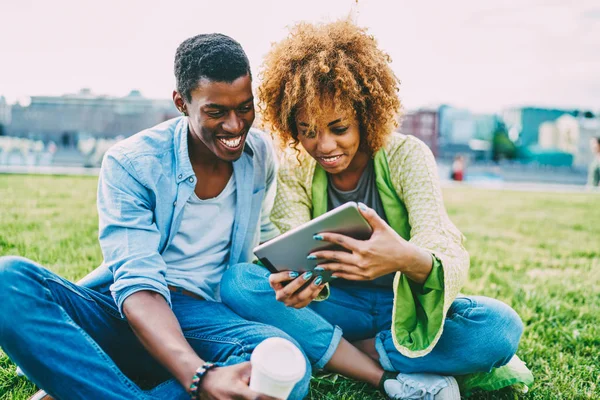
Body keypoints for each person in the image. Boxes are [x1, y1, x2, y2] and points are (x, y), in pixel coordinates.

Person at [221, 19, 528, 399]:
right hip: (337, 305)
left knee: (498, 328)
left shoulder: (406, 155)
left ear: (365, 117)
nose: (324, 146)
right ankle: (390, 362)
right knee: (238, 283)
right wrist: (299, 287)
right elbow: (294, 249)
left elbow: (441, 242)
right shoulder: (297, 170)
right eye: (308, 130)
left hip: (400, 307)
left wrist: (403, 258)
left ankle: (349, 352)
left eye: (339, 128)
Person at [0, 33, 311, 400]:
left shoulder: (258, 154)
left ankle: (95, 383)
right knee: (8, 280)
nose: (235, 125)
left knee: (282, 366)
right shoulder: (132, 163)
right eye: (216, 112)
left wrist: (290, 272)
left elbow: (261, 231)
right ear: (181, 102)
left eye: (244, 107)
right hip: (126, 312)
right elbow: (138, 284)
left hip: (204, 319)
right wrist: (200, 377)